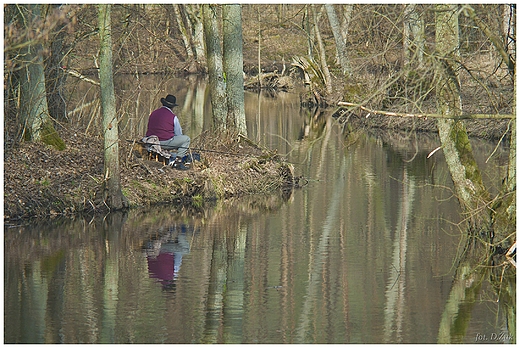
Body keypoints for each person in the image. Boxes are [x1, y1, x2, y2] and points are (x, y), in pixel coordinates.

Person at [146, 94, 191, 170]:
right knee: (186, 139)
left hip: (151, 142)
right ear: (173, 106)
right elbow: (178, 134)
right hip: (163, 143)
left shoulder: (153, 113)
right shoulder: (173, 117)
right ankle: (178, 162)